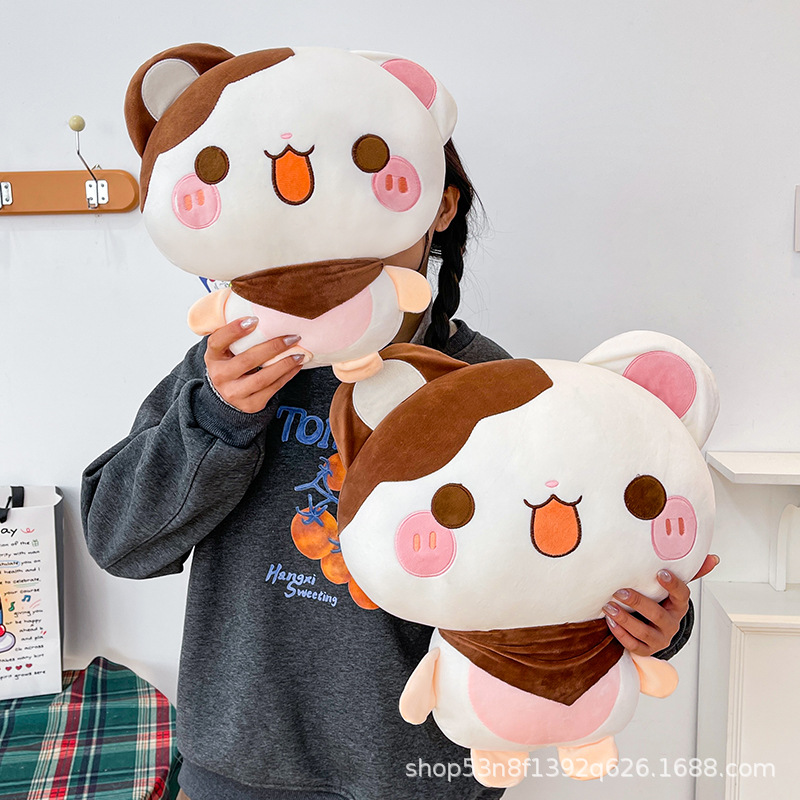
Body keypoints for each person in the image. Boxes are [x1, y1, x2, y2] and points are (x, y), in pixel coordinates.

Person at [81, 140, 716, 800]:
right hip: (235, 771)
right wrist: (219, 417)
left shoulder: (494, 385)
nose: (345, 231)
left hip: (418, 779)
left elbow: (570, 556)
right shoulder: (236, 363)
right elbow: (120, 543)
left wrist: (657, 623)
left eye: (372, 196)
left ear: (440, 207)